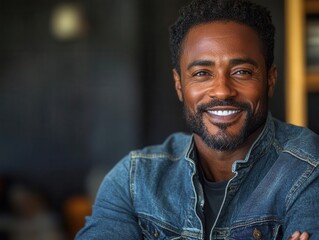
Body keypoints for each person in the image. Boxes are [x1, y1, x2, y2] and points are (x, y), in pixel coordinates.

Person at [76, 0, 319, 239]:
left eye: (241, 72)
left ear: (270, 80)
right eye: (202, 73)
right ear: (179, 85)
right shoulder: (134, 180)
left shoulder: (307, 169)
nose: (222, 91)